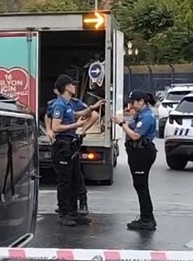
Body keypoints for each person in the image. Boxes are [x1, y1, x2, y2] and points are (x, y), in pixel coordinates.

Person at [47, 75, 103, 225]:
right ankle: (64, 213)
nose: (74, 86)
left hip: (70, 146)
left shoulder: (68, 104)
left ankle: (73, 212)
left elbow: (76, 114)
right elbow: (55, 127)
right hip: (62, 146)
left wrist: (91, 108)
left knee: (75, 179)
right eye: (72, 84)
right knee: (64, 181)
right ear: (65, 87)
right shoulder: (59, 105)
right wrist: (76, 126)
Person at [114, 90, 159, 231]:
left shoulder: (147, 117)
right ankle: (145, 216)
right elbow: (133, 127)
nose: (131, 105)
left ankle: (147, 218)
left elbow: (135, 136)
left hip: (142, 153)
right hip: (137, 153)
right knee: (139, 185)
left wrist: (121, 124)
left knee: (141, 186)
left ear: (141, 101)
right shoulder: (139, 115)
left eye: (133, 102)